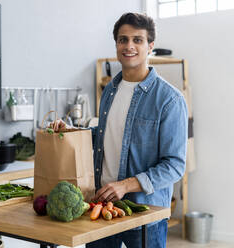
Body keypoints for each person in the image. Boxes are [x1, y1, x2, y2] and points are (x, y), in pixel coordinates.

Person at [52, 12, 188, 248]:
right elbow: (105, 138)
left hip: (143, 212)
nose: (129, 46)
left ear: (150, 46)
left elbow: (174, 165)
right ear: (116, 45)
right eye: (123, 39)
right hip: (100, 205)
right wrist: (72, 131)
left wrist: (124, 185)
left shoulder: (169, 100)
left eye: (138, 40)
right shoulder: (109, 91)